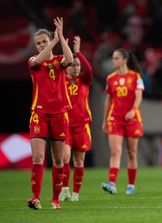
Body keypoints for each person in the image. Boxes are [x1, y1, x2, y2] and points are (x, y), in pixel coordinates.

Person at [27, 17, 73, 209]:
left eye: (44, 41)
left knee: (58, 159)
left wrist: (60, 37)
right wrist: (53, 42)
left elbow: (70, 60)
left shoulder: (59, 61)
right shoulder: (33, 61)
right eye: (38, 43)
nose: (40, 45)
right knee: (38, 157)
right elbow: (39, 59)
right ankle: (36, 198)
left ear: (50, 41)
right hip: (39, 114)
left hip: (59, 114)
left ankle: (55, 200)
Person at [101, 48, 144, 195]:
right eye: (113, 58)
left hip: (132, 119)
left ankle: (131, 185)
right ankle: (112, 183)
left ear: (125, 60)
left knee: (131, 152)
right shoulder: (110, 78)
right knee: (115, 151)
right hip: (115, 118)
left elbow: (139, 96)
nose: (113, 61)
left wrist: (133, 110)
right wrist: (105, 120)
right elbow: (108, 101)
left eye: (116, 58)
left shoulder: (135, 76)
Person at [59, 36, 93, 202]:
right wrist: (66, 50)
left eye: (78, 65)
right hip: (65, 125)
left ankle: (76, 193)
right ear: (67, 67)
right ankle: (64, 188)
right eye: (73, 65)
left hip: (82, 126)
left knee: (79, 161)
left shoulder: (84, 81)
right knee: (65, 158)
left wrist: (79, 53)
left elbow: (90, 70)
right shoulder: (60, 80)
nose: (76, 68)